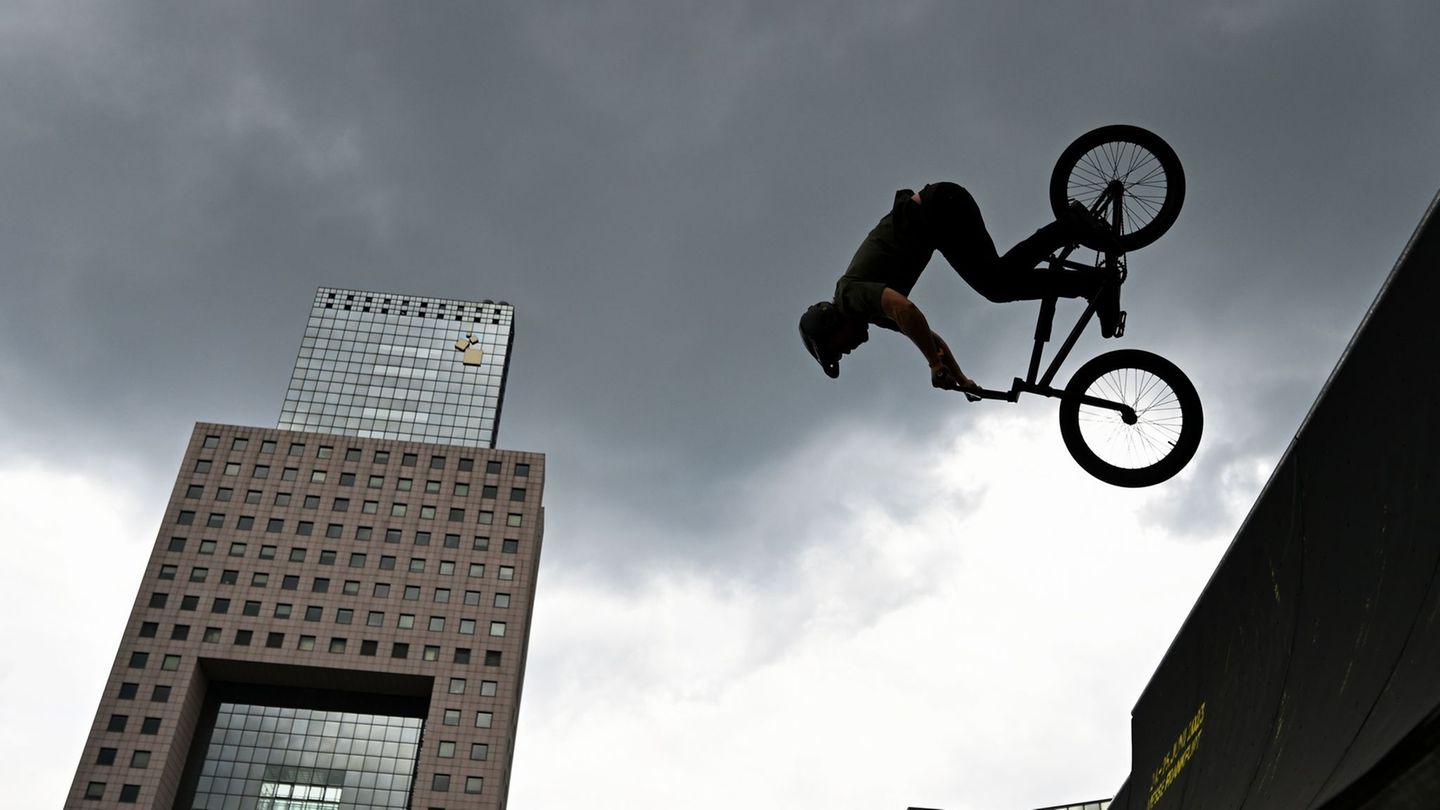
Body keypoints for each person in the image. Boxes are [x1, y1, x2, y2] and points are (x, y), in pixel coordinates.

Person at [798, 181, 1121, 395]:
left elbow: (907, 310)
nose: (848, 351)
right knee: (1000, 280)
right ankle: (1087, 276)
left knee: (995, 284)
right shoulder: (871, 311)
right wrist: (962, 379)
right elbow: (930, 337)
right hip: (940, 214)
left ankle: (1081, 255)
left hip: (939, 209)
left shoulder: (849, 297)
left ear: (831, 325)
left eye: (837, 348)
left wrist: (935, 365)